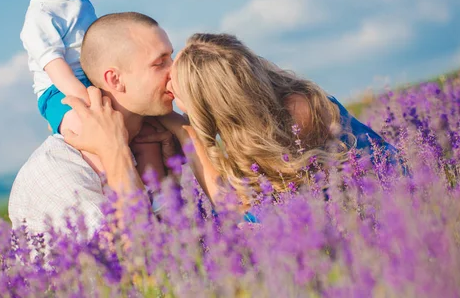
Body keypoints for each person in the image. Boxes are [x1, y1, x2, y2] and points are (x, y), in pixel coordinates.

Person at [133, 33, 400, 207]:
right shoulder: (245, 122)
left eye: (176, 90)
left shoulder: (299, 110)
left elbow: (239, 215)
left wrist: (185, 132)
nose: (168, 80)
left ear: (211, 102)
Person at [4, 0, 166, 183]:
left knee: (140, 119)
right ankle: (112, 186)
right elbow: (55, 67)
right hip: (59, 91)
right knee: (96, 133)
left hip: (92, 79)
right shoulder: (39, 16)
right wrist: (87, 100)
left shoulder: (80, 1)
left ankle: (158, 191)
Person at [9, 13, 177, 236]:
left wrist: (187, 142)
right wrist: (114, 152)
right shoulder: (57, 170)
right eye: (160, 63)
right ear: (115, 79)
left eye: (171, 59)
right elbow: (136, 257)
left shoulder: (156, 143)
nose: (174, 71)